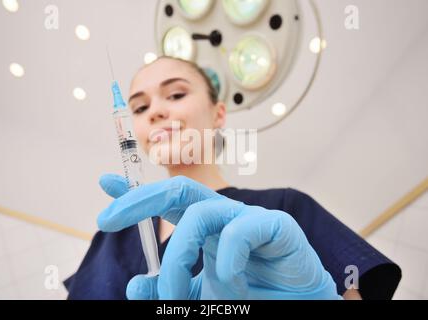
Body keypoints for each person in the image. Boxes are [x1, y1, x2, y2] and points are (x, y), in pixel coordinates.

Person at [64, 56, 401, 300]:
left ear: (218, 113)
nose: (155, 111)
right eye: (138, 108)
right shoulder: (109, 240)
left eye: (176, 94)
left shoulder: (283, 208)